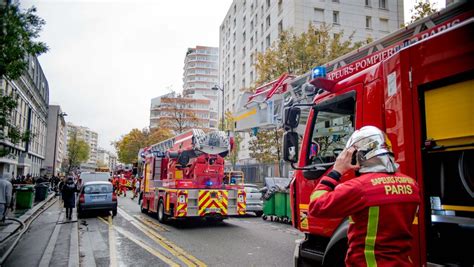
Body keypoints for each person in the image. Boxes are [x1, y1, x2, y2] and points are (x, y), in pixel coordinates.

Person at [309, 126, 420, 266]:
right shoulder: (411, 185)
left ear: (359, 155)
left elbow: (316, 206)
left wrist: (336, 171)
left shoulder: (359, 188)